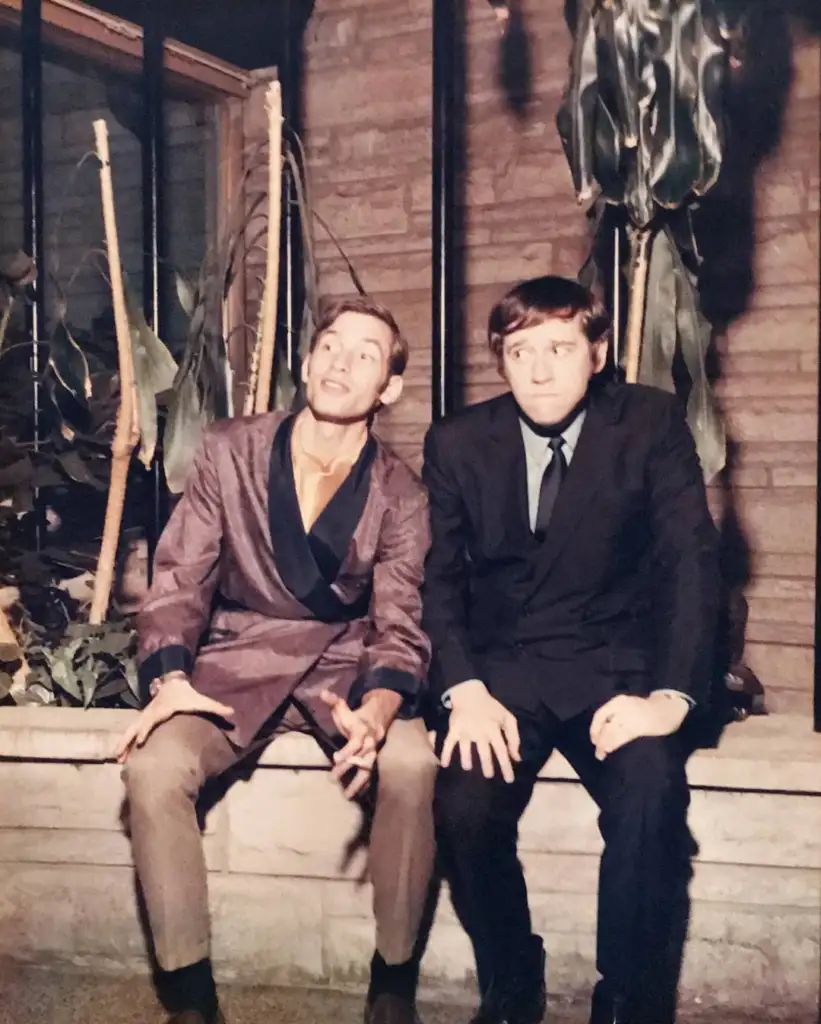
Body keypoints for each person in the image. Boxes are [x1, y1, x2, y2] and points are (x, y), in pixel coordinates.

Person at [116, 296, 438, 1024]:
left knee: (412, 766)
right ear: (307, 358)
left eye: (365, 353)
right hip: (237, 655)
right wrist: (169, 678)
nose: (341, 362)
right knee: (154, 768)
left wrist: (380, 708)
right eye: (330, 345)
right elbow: (179, 577)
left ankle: (392, 985)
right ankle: (189, 999)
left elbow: (399, 619)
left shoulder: (401, 493)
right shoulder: (231, 449)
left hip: (346, 666)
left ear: (388, 386)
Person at [421, 275, 720, 1024]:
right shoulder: (457, 441)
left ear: (597, 351)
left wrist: (669, 696)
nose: (540, 369)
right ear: (501, 360)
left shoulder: (649, 424)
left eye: (559, 348)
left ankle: (625, 998)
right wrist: (462, 689)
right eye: (519, 351)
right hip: (502, 676)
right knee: (461, 801)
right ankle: (512, 973)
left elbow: (690, 564)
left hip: (613, 672)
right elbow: (436, 580)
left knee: (650, 789)